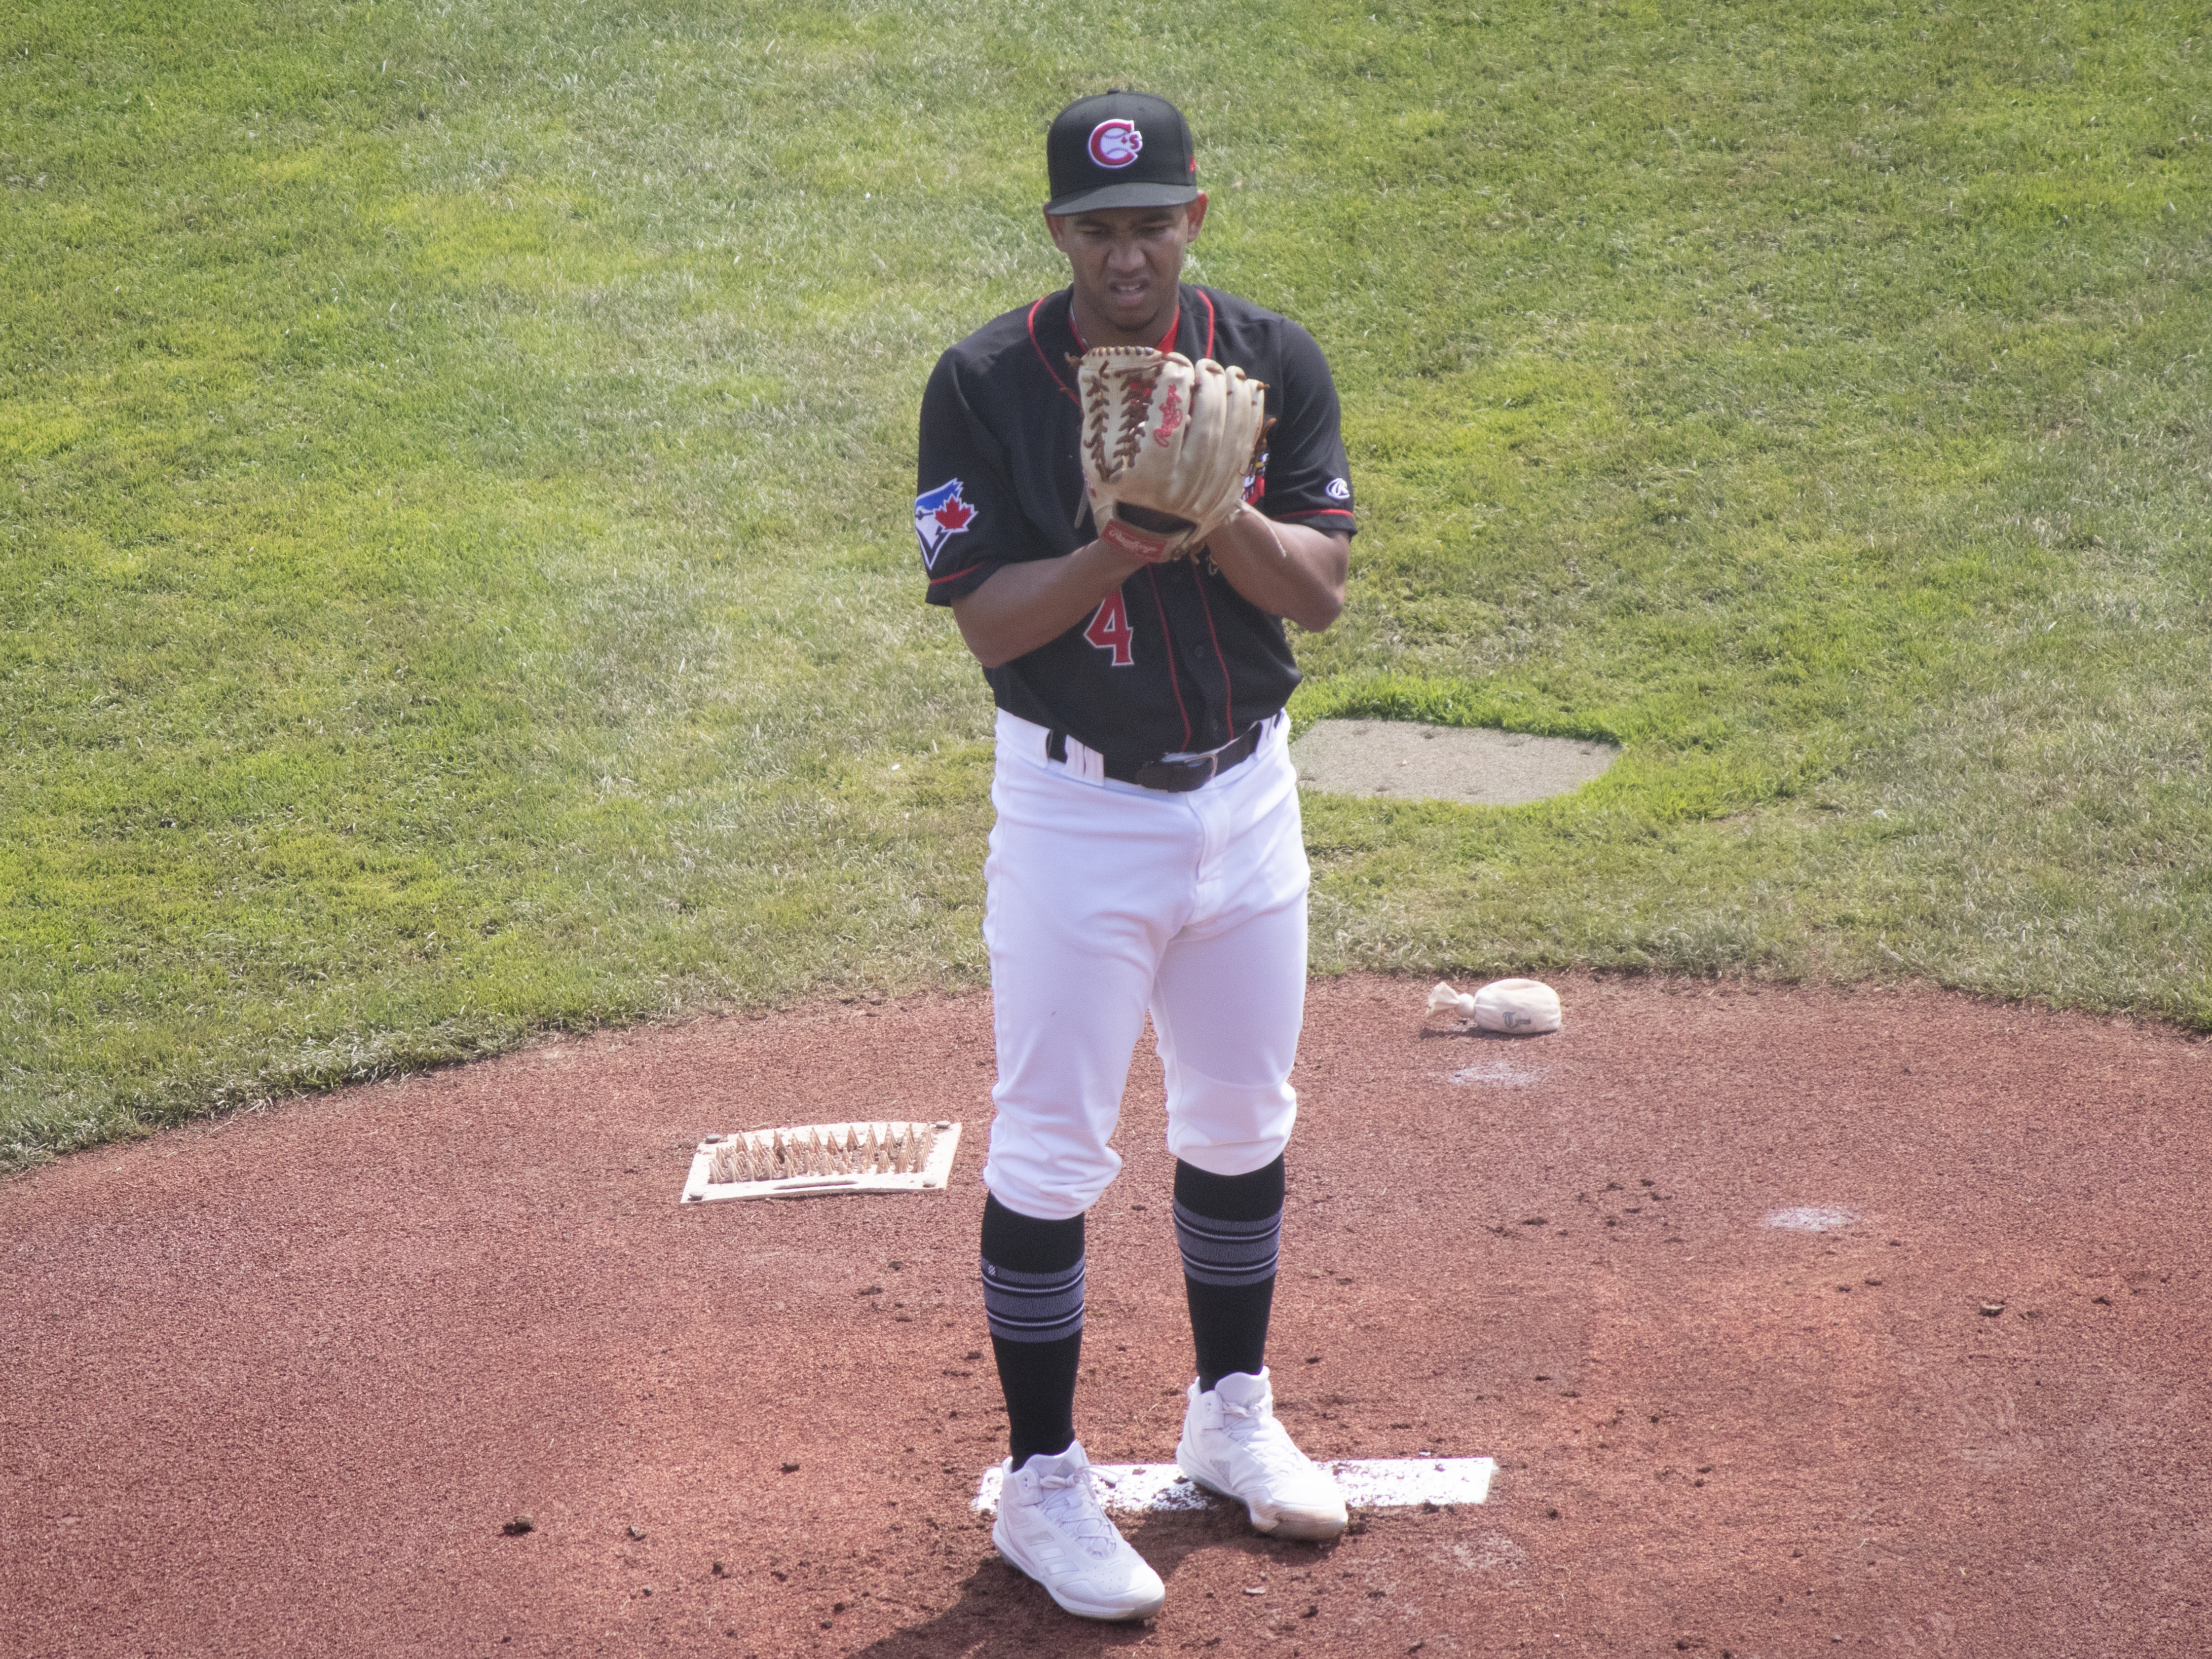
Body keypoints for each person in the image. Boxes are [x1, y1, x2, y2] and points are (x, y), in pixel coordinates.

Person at [913, 89, 1357, 1622]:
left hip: (1249, 798)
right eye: (1098, 228)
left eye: (1151, 221)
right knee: (1050, 1147)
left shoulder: (1271, 361)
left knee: (1241, 1119)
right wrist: (1118, 541)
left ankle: (1230, 1413)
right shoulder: (980, 382)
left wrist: (1213, 505)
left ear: (1193, 219)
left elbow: (1317, 594)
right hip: (1074, 816)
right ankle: (1046, 1482)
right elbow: (982, 616)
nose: (1126, 251)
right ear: (1058, 235)